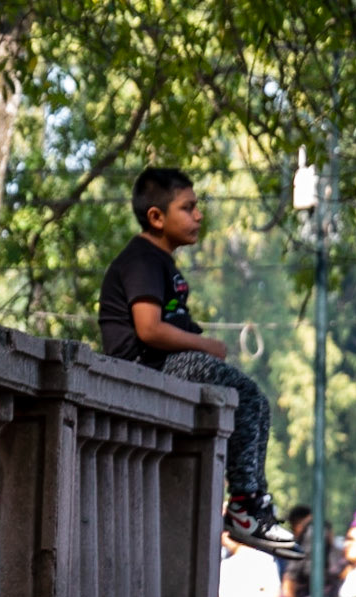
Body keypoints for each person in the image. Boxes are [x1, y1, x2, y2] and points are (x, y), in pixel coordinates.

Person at [99, 168, 302, 559]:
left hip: (164, 364)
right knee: (244, 395)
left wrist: (200, 342)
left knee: (253, 400)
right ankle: (245, 507)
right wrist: (206, 345)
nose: (198, 216)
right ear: (157, 217)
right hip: (143, 369)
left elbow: (174, 324)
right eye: (188, 208)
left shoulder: (164, 264)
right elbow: (149, 330)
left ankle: (252, 501)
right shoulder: (142, 259)